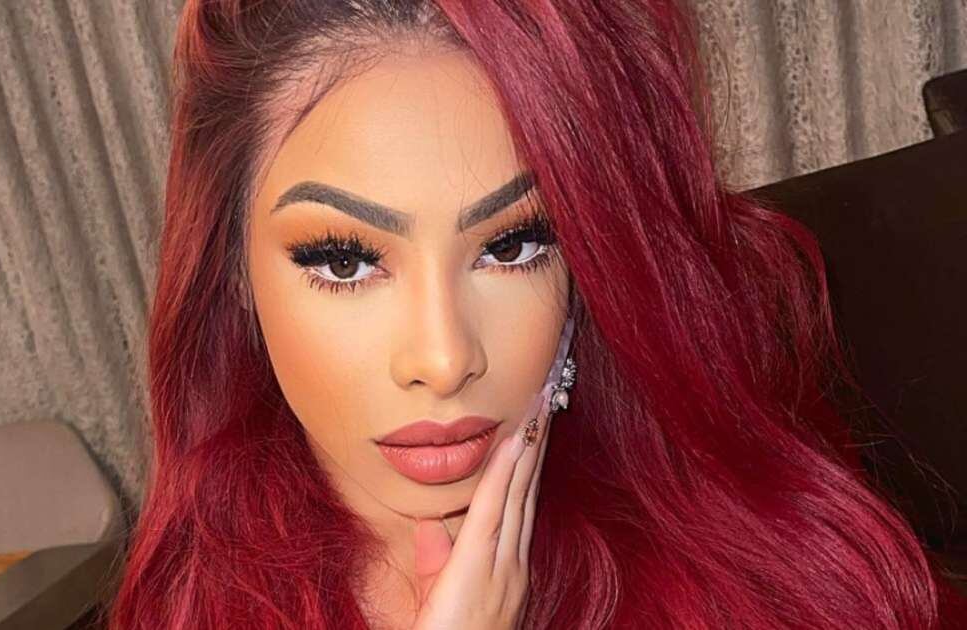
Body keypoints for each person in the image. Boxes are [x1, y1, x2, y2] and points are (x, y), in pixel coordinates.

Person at [110, 0, 965, 627]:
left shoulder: (740, 574)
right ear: (232, 277)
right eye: (345, 261)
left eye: (513, 246)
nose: (444, 359)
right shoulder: (192, 596)